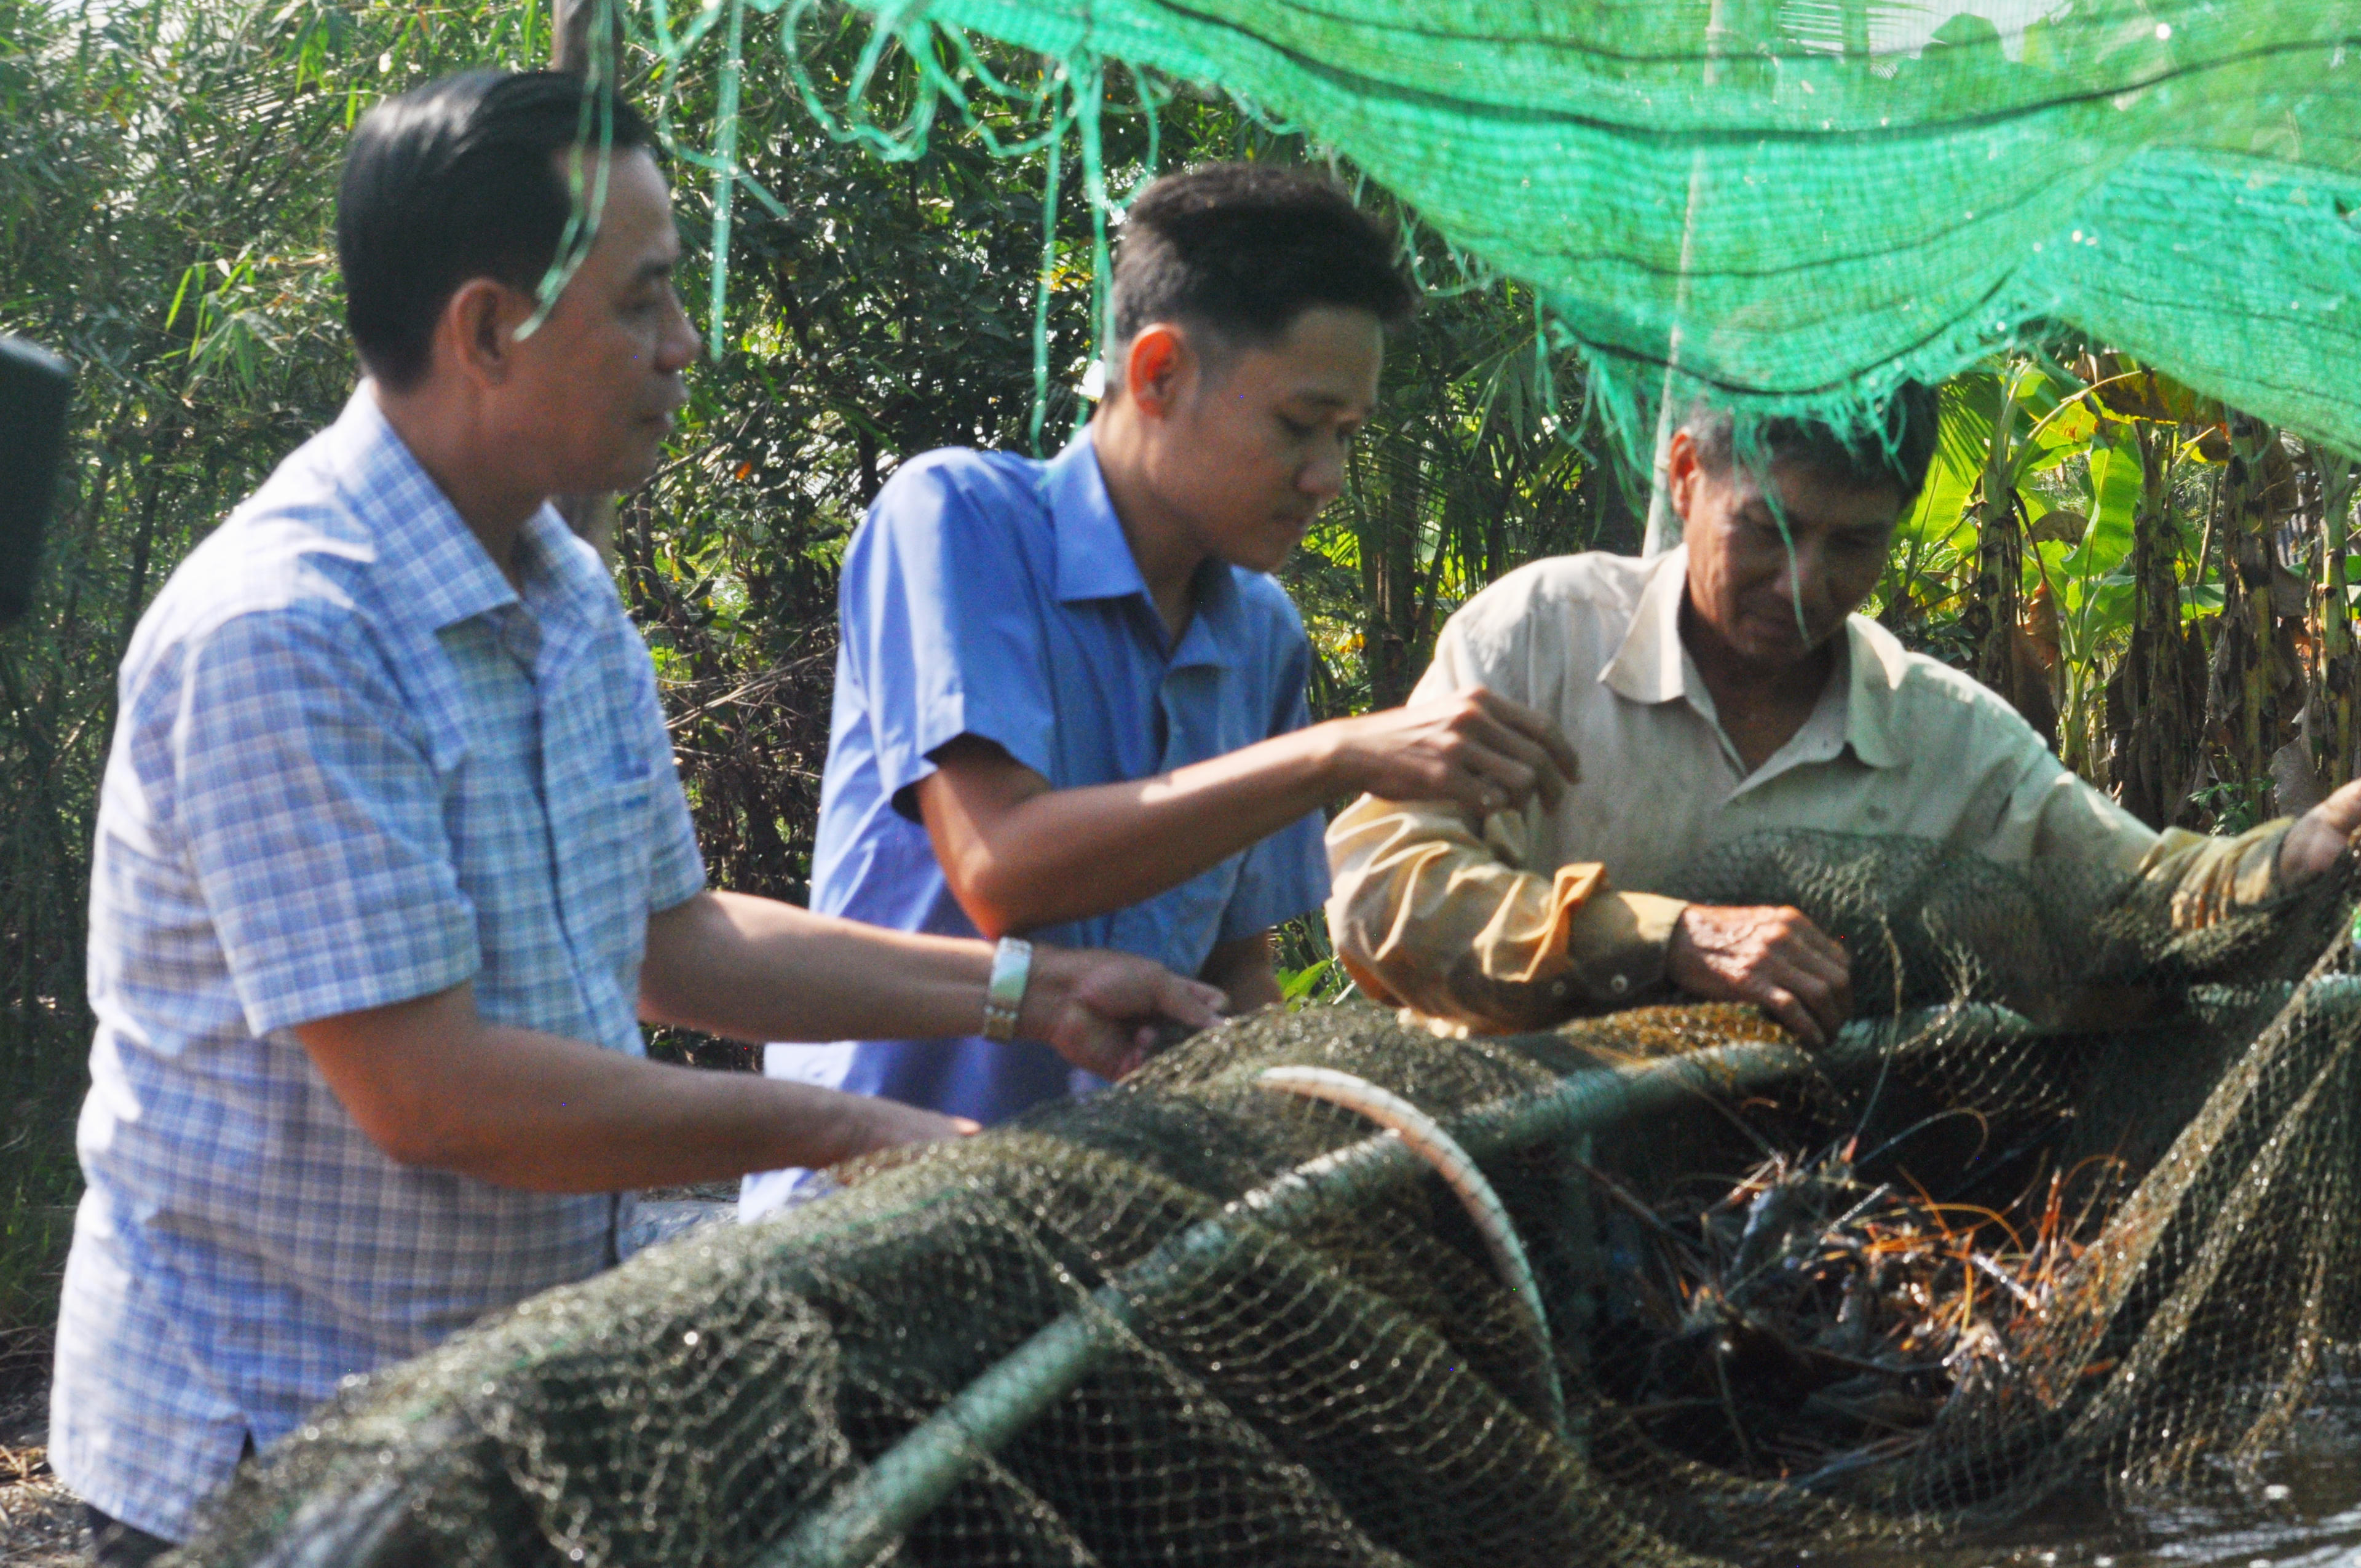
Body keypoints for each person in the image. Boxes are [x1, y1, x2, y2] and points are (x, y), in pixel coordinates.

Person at [52, 70, 1224, 1566]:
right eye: (644, 300)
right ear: (487, 330)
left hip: (495, 1424)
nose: (685, 345)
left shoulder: (562, 587)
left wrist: (1033, 991)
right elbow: (438, 1097)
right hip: (271, 1450)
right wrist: (844, 1124)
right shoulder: (288, 628)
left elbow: (675, 941)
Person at [743, 164, 1578, 1215]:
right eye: (1300, 423)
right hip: (868, 1206)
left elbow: (1235, 973)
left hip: (1106, 1228)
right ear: (1159, 374)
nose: (1326, 476)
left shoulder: (1262, 636)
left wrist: (1294, 1132)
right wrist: (1336, 753)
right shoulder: (958, 518)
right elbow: (1002, 867)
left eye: (1348, 435)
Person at [1325, 392, 2361, 1038]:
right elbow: (1383, 894)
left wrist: (2292, 855)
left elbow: (2133, 896)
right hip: (1514, 1187)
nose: (1802, 583)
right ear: (1685, 476)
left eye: (1853, 545)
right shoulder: (1540, 639)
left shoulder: (1943, 735)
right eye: (1768, 529)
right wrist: (1665, 934)